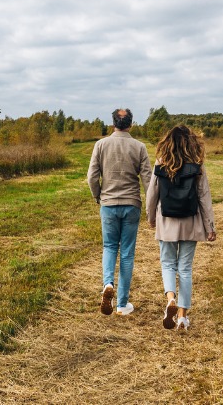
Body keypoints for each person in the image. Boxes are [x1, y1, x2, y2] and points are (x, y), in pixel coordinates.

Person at [145, 125, 215, 331]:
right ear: (191, 143)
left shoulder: (161, 163)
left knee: (167, 264)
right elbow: (204, 197)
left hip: (166, 222)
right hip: (190, 222)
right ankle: (183, 318)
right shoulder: (197, 166)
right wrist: (210, 226)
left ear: (168, 142)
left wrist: (151, 218)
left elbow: (152, 194)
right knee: (185, 269)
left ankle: (170, 300)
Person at [88, 108, 152, 316]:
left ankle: (108, 284)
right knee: (126, 254)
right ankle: (123, 304)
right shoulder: (139, 147)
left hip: (108, 203)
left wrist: (98, 195)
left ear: (113, 123)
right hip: (131, 204)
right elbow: (148, 180)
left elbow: (92, 177)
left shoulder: (101, 145)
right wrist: (151, 205)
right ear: (131, 124)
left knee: (109, 246)